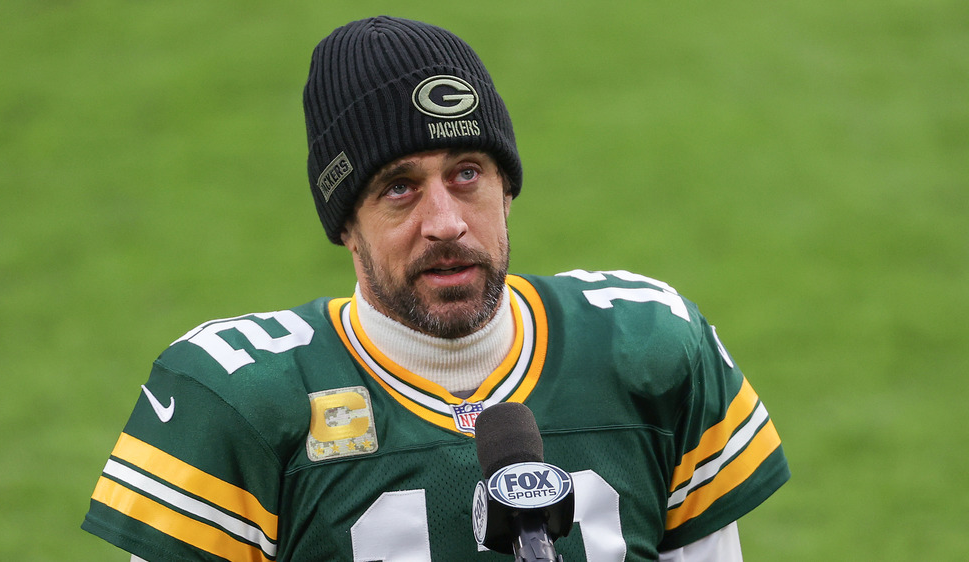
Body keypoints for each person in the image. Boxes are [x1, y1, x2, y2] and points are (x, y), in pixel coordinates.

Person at [82, 16, 789, 561]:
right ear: (344, 225)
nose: (446, 222)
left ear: (507, 186)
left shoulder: (650, 350)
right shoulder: (236, 403)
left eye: (467, 173)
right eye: (399, 189)